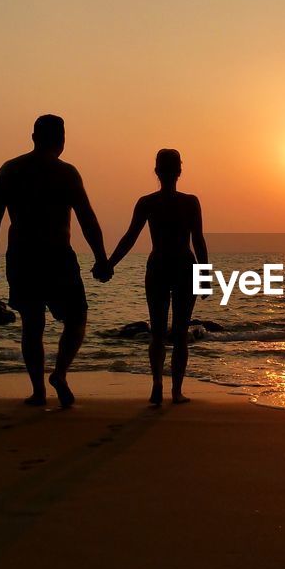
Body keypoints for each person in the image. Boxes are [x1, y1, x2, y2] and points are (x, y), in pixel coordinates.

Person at [0, 114, 112, 407]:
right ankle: (60, 374)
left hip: (22, 255)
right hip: (56, 255)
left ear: (33, 137)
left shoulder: (11, 169)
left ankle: (39, 391)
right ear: (61, 140)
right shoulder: (65, 172)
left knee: (32, 324)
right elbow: (87, 218)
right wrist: (101, 258)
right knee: (77, 319)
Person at [105, 148, 208, 406]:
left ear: (157, 171)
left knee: (158, 332)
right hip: (184, 266)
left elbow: (129, 237)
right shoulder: (190, 202)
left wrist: (110, 263)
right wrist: (204, 276)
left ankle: (157, 386)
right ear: (180, 171)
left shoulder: (147, 202)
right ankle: (176, 392)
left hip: (159, 265)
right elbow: (199, 241)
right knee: (180, 332)